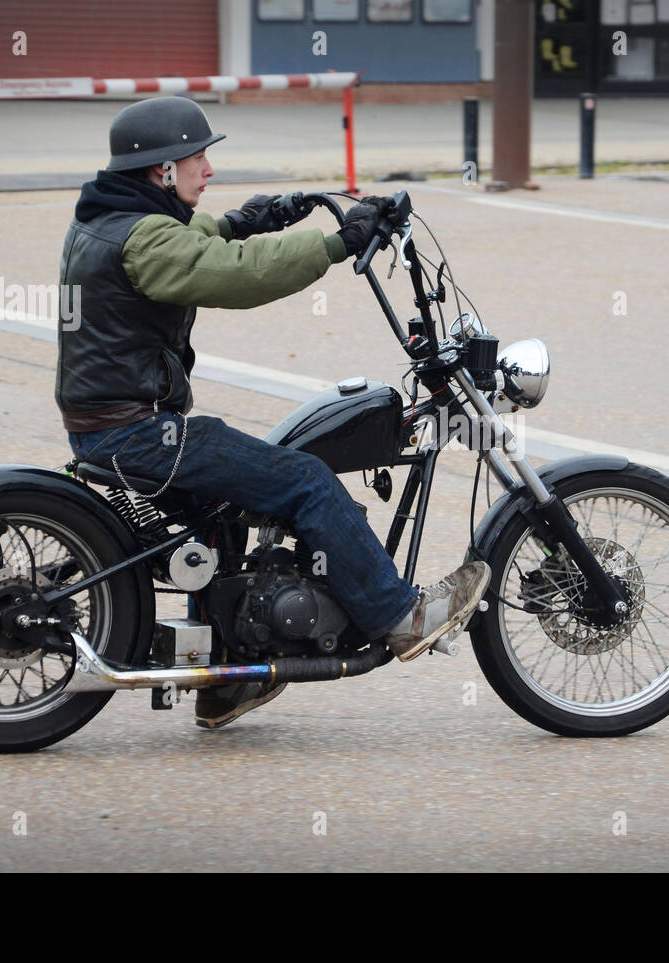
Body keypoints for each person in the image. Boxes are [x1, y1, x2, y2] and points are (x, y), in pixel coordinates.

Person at [57, 96, 489, 729]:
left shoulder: (110, 221)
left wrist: (248, 219)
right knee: (305, 479)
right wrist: (338, 242)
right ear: (160, 171)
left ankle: (226, 680)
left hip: (112, 427)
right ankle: (401, 616)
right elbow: (232, 275)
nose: (206, 168)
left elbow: (196, 243)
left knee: (227, 511)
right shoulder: (143, 237)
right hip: (140, 433)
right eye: (195, 156)